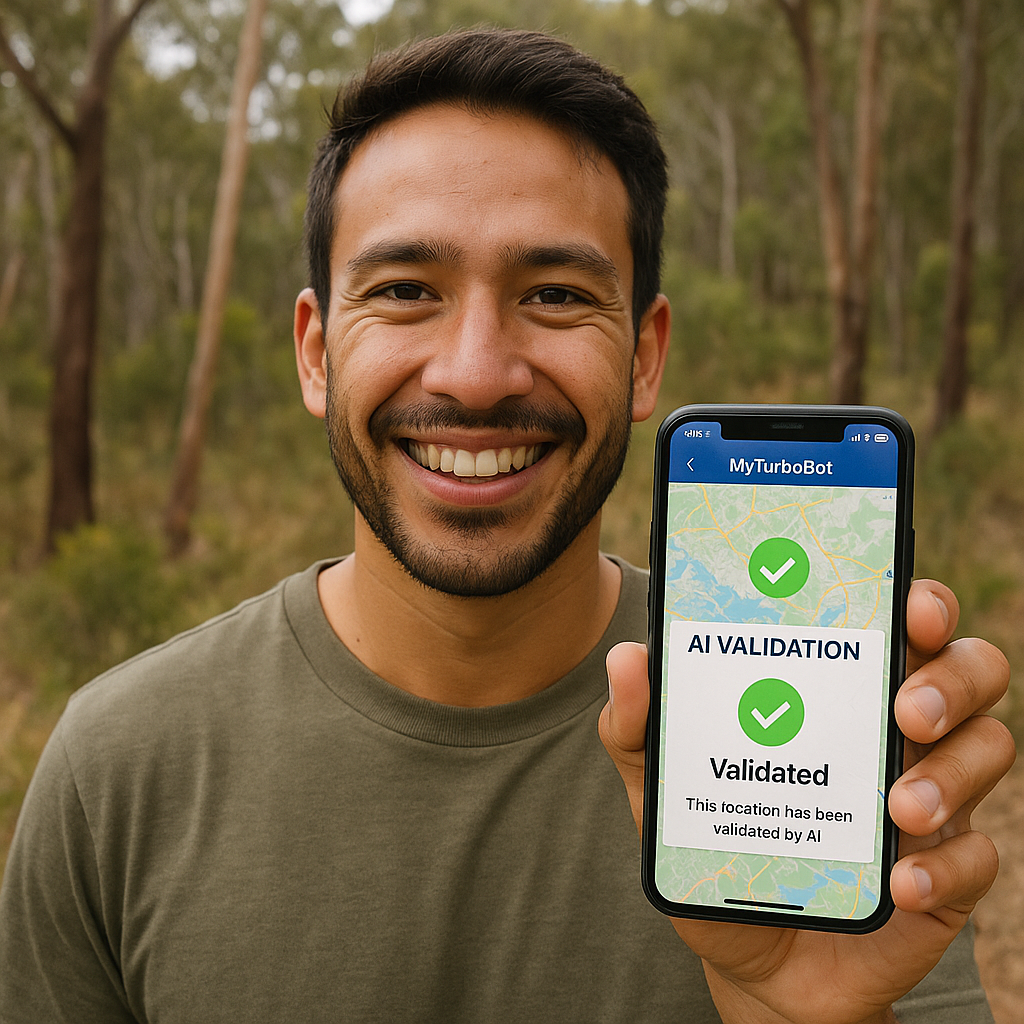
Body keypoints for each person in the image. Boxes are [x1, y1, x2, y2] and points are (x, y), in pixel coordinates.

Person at [0, 28, 1013, 1024]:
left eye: (556, 294)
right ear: (315, 353)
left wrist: (813, 1021)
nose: (477, 372)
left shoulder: (834, 757)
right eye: (405, 291)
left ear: (644, 357)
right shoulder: (119, 769)